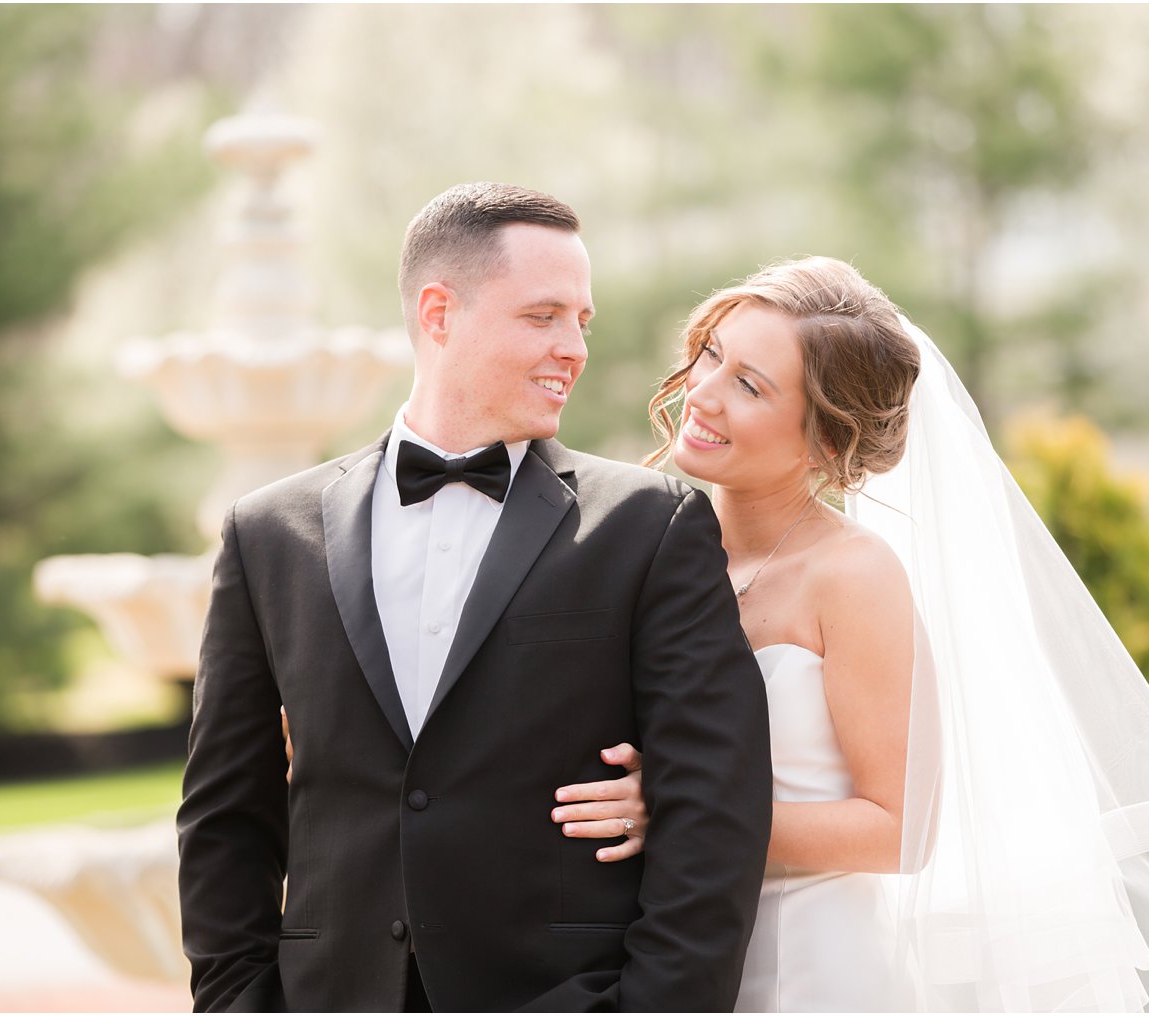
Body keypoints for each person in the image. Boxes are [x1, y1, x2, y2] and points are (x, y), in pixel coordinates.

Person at [308, 255, 1149, 1011]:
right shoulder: (640, 546)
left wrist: (680, 820)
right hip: (646, 962)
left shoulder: (854, 579)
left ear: (827, 440)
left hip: (807, 965)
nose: (705, 394)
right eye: (711, 356)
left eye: (752, 387)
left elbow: (900, 831)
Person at [178, 182, 773, 1013]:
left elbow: (717, 811)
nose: (575, 347)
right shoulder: (268, 533)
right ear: (438, 313)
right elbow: (226, 818)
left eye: (582, 321)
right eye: (543, 316)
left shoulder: (650, 525)